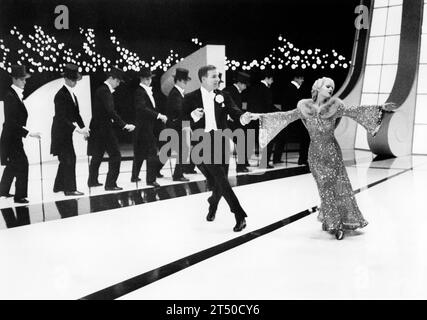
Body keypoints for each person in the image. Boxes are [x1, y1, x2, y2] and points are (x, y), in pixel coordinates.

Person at [256, 77, 397, 240]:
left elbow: (356, 111)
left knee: (339, 186)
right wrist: (257, 116)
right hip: (315, 154)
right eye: (328, 86)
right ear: (318, 87)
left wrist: (381, 108)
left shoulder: (334, 107)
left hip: (333, 153)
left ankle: (343, 220)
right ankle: (334, 224)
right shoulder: (304, 107)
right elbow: (284, 116)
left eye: (332, 87)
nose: (331, 89)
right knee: (325, 188)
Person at [182, 65, 256, 232]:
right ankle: (239, 214)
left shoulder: (224, 95)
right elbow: (181, 119)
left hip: (221, 140)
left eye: (218, 76)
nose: (217, 79)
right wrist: (192, 116)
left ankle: (213, 203)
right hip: (202, 142)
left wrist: (243, 117)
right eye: (214, 76)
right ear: (203, 79)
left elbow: (235, 111)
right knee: (220, 179)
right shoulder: (191, 97)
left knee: (219, 181)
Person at [87, 67, 135, 191]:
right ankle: (110, 184)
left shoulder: (101, 90)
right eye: (118, 81)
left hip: (98, 129)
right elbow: (110, 111)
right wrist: (124, 125)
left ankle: (92, 181)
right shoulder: (105, 91)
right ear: (112, 78)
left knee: (97, 155)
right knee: (115, 155)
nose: (118, 84)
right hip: (104, 129)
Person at [0, 65, 41, 203]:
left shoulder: (13, 94)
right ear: (16, 79)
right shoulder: (10, 96)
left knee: (13, 164)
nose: (25, 82)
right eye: (23, 79)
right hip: (11, 137)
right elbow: (11, 122)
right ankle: (20, 196)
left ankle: (3, 190)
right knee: (23, 164)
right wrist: (29, 133)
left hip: (13, 136)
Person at [51, 63, 89, 196]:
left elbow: (76, 114)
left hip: (66, 132)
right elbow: (61, 118)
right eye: (72, 80)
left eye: (75, 80)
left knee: (66, 159)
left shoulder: (72, 95)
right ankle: (70, 189)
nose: (75, 82)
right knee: (69, 158)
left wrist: (84, 128)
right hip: (60, 133)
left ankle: (58, 186)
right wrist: (77, 130)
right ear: (66, 79)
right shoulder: (60, 95)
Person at [131, 67, 167, 187]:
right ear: (142, 79)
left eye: (150, 78)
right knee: (152, 151)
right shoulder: (140, 91)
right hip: (144, 126)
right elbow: (141, 108)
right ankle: (151, 180)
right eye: (147, 79)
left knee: (141, 152)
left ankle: (134, 176)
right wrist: (158, 115)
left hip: (147, 126)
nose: (149, 81)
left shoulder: (145, 91)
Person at [274, 74, 307, 165]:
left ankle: (276, 158)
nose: (302, 80)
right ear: (296, 78)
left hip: (288, 117)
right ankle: (302, 159)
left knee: (282, 137)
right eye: (301, 78)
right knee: (304, 136)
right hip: (293, 117)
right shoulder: (293, 88)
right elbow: (296, 103)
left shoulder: (290, 88)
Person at [247, 70, 278, 168]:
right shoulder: (266, 89)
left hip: (252, 119)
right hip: (263, 120)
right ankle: (264, 163)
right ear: (267, 78)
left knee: (250, 141)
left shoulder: (253, 88)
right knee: (268, 141)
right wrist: (278, 112)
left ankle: (244, 162)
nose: (272, 82)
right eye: (272, 79)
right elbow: (269, 106)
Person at [165, 68, 191, 182]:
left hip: (177, 125)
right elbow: (179, 111)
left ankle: (155, 170)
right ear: (179, 80)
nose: (186, 83)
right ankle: (177, 175)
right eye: (185, 81)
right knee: (182, 150)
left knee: (168, 151)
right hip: (177, 126)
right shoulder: (175, 93)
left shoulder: (178, 93)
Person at [224, 71, 251, 172]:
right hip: (230, 123)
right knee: (241, 141)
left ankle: (243, 163)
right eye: (245, 84)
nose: (246, 87)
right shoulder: (230, 91)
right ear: (239, 83)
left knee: (242, 141)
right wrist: (228, 115)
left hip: (235, 122)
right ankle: (241, 166)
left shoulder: (235, 91)